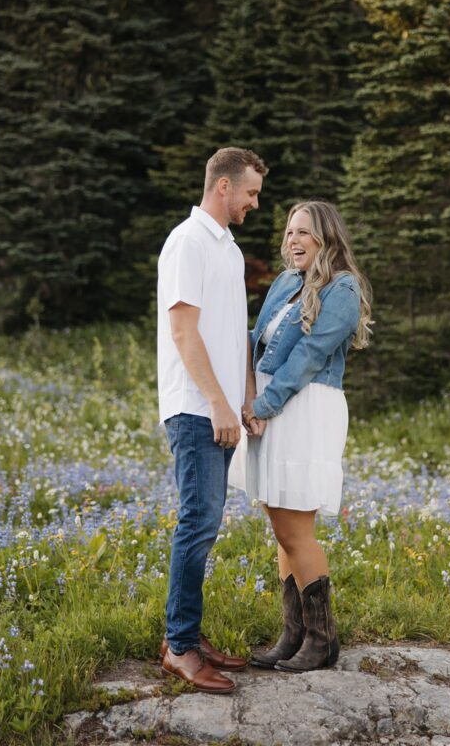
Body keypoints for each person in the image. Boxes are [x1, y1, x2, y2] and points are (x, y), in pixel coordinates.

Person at [231, 199, 372, 672]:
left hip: (305, 405)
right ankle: (293, 633)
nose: (293, 241)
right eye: (289, 233)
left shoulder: (343, 288)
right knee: (279, 523)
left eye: (303, 233)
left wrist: (265, 406)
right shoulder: (287, 283)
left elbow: (309, 355)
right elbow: (259, 341)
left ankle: (322, 639)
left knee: (296, 526)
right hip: (274, 403)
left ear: (326, 238)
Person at [156, 147, 268, 694]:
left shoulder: (229, 249)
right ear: (223, 187)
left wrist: (244, 395)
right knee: (196, 523)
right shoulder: (187, 242)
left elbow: (234, 333)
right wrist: (218, 403)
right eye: (250, 193)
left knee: (205, 524)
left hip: (222, 408)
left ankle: (189, 638)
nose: (253, 203)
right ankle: (179, 649)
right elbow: (183, 331)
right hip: (196, 408)